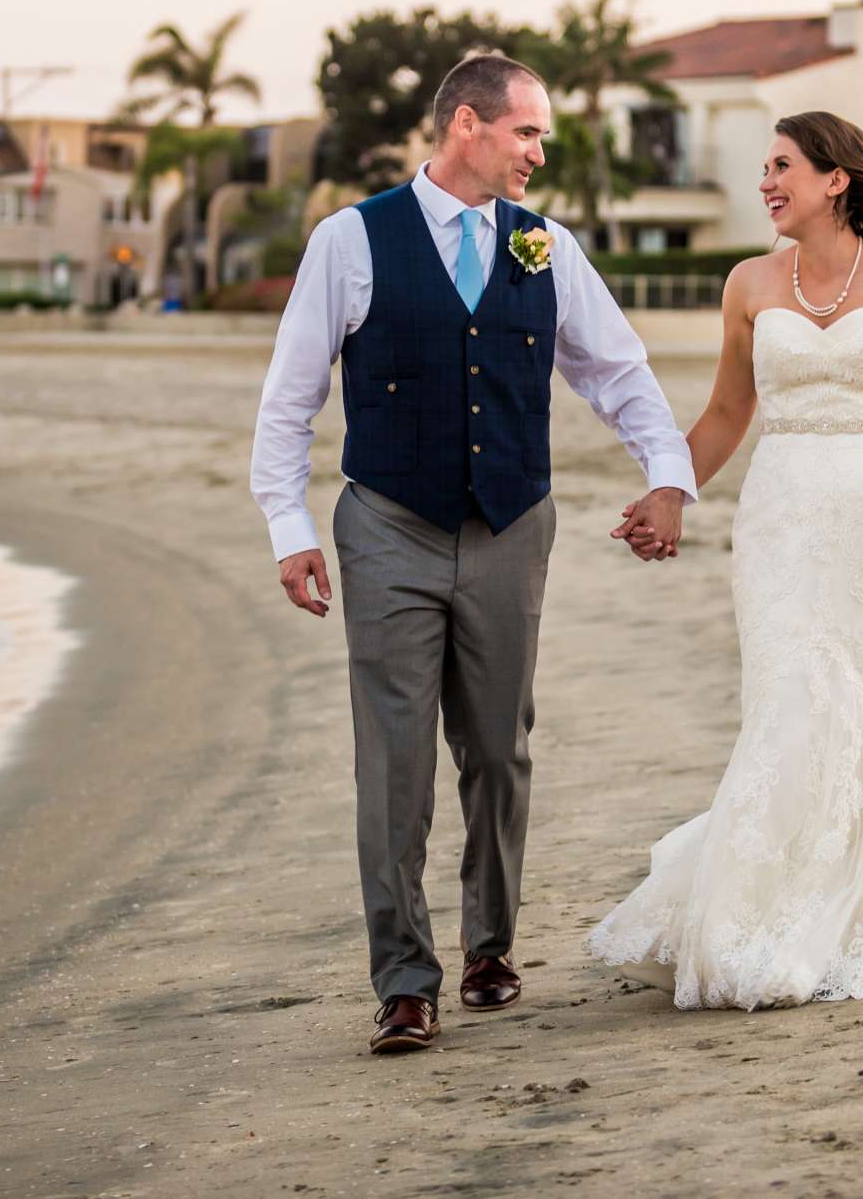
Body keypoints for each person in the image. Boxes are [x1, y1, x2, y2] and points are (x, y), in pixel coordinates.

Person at [251, 51, 696, 1055]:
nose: (540, 151)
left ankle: (489, 947)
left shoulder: (542, 249)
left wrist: (666, 475)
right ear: (465, 124)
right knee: (396, 761)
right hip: (388, 529)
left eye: (541, 136)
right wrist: (290, 530)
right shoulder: (352, 240)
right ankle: (406, 981)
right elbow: (289, 401)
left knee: (498, 750)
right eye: (526, 132)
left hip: (510, 528)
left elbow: (617, 371)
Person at [589, 111, 863, 1010]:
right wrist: (670, 488)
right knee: (789, 704)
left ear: (836, 180)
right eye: (765, 168)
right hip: (781, 525)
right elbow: (728, 413)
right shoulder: (747, 283)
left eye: (782, 166)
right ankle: (765, 913)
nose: (767, 183)